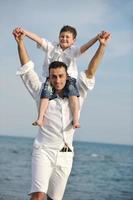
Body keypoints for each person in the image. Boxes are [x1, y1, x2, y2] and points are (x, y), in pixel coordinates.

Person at [13, 28, 110, 200]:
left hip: (65, 154)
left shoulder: (77, 92)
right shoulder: (41, 91)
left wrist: (101, 46)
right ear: (49, 78)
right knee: (38, 196)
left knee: (54, 199)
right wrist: (21, 43)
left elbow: (90, 71)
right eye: (53, 77)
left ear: (67, 76)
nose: (57, 80)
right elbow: (27, 69)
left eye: (61, 76)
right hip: (43, 150)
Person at [15, 25, 102, 128]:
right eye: (62, 36)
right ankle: (40, 118)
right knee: (45, 95)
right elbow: (37, 38)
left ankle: (75, 119)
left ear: (73, 40)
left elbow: (86, 46)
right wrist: (25, 32)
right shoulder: (51, 46)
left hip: (69, 79)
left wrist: (97, 38)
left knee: (73, 96)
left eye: (67, 37)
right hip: (50, 78)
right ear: (58, 37)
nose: (64, 39)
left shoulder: (74, 50)